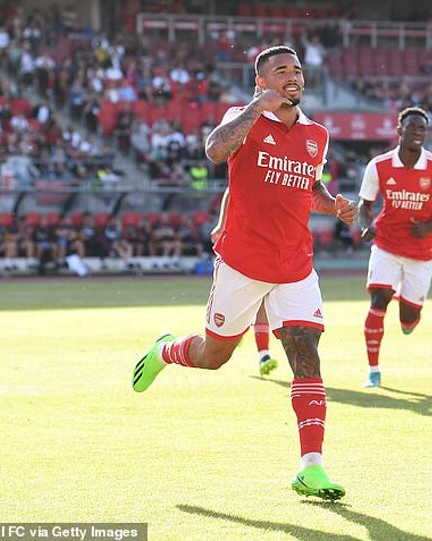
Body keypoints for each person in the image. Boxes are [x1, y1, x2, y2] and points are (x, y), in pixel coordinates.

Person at [131, 45, 356, 501]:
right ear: (260, 82)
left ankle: (311, 467)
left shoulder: (317, 134)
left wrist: (333, 205)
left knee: (306, 353)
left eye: (297, 70)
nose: (292, 76)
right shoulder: (242, 117)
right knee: (214, 356)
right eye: (281, 71)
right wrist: (257, 108)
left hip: (295, 264)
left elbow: (309, 186)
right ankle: (165, 351)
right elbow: (215, 151)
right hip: (242, 262)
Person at [358, 107, 432, 388]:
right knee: (378, 301)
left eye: (422, 129)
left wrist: (430, 226)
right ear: (399, 131)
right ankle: (373, 372)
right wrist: (366, 225)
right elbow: (365, 204)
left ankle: (408, 307)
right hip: (386, 244)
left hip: (421, 251)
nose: (417, 132)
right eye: (412, 127)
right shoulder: (379, 165)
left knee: (408, 319)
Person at [211, 188, 278, 377]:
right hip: (240, 246)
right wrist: (221, 225)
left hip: (269, 245)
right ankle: (236, 330)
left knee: (263, 300)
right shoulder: (252, 174)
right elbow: (232, 188)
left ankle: (263, 354)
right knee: (237, 303)